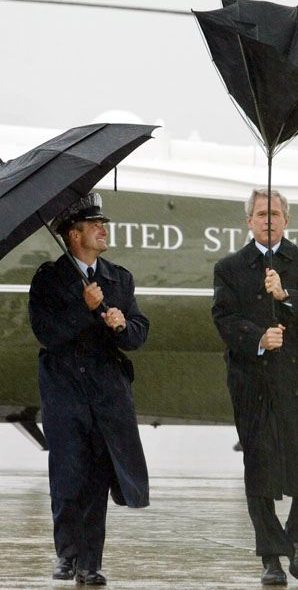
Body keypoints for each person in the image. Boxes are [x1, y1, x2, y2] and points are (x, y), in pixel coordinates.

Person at [212, 188, 298, 586]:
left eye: (274, 213)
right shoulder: (230, 267)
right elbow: (223, 317)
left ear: (286, 220)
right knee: (259, 464)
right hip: (252, 380)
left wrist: (286, 294)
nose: (267, 220)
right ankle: (271, 557)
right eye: (260, 214)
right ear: (248, 221)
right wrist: (258, 337)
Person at [28, 193, 150, 586]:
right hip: (64, 387)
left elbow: (137, 333)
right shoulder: (49, 279)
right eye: (95, 225)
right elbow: (47, 333)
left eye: (104, 224)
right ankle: (67, 554)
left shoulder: (119, 278)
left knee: (98, 475)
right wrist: (84, 307)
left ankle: (90, 563)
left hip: (105, 390)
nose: (104, 230)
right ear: (73, 234)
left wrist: (119, 325)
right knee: (67, 472)